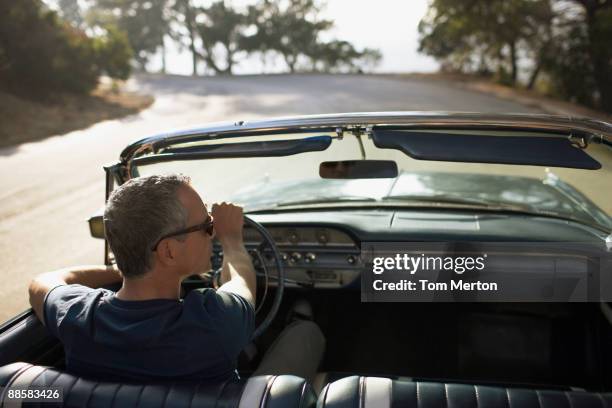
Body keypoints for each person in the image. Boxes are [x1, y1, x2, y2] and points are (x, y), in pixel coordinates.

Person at [28, 174, 325, 383]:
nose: (212, 233)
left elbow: (44, 280)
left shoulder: (77, 315)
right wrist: (232, 237)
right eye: (206, 227)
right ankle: (300, 325)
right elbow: (243, 281)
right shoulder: (216, 322)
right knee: (306, 333)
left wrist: (130, 266)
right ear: (169, 251)